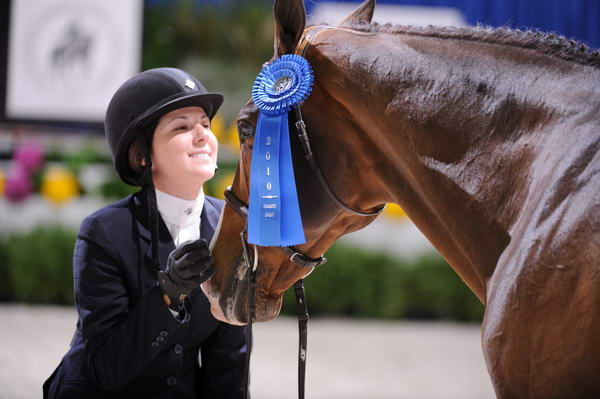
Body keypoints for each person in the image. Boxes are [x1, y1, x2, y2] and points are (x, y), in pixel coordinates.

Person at [43, 68, 246, 398]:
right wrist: (167, 296)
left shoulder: (231, 226)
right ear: (142, 155)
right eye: (182, 126)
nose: (202, 135)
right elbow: (108, 368)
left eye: (205, 125)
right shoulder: (103, 233)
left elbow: (228, 363)